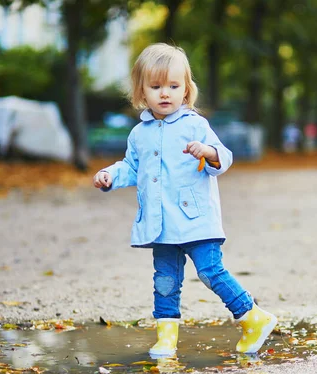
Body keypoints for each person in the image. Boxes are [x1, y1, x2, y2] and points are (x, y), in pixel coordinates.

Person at [92, 43, 277, 357]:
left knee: (209, 270)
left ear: (186, 90)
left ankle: (252, 317)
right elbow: (131, 167)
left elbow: (225, 157)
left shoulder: (195, 125)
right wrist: (110, 175)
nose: (165, 93)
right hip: (160, 223)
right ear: (141, 92)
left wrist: (208, 153)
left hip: (195, 220)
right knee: (165, 280)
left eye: (173, 86)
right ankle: (166, 338)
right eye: (156, 86)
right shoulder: (139, 133)